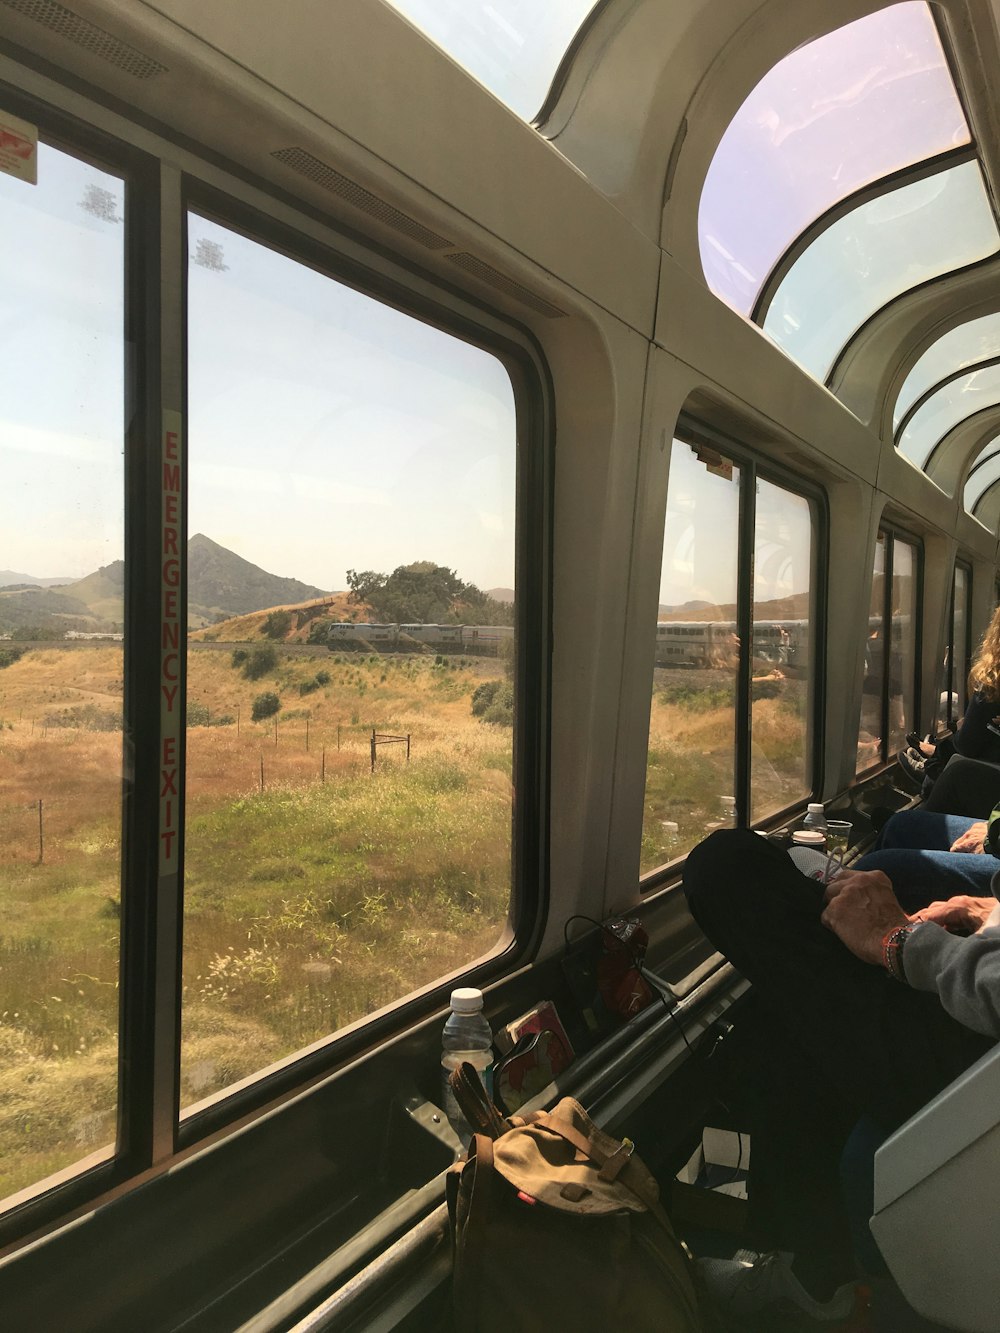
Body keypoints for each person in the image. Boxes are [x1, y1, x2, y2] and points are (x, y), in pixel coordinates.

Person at [683, 829, 999, 1325]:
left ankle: (813, 1269)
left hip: (984, 1061)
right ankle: (810, 1267)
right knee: (794, 995)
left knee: (726, 865)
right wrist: (988, 912)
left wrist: (901, 942)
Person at [898, 602, 1000, 785]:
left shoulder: (993, 682)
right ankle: (936, 759)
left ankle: (934, 767)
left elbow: (968, 745)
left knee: (904, 816)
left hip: (988, 781)